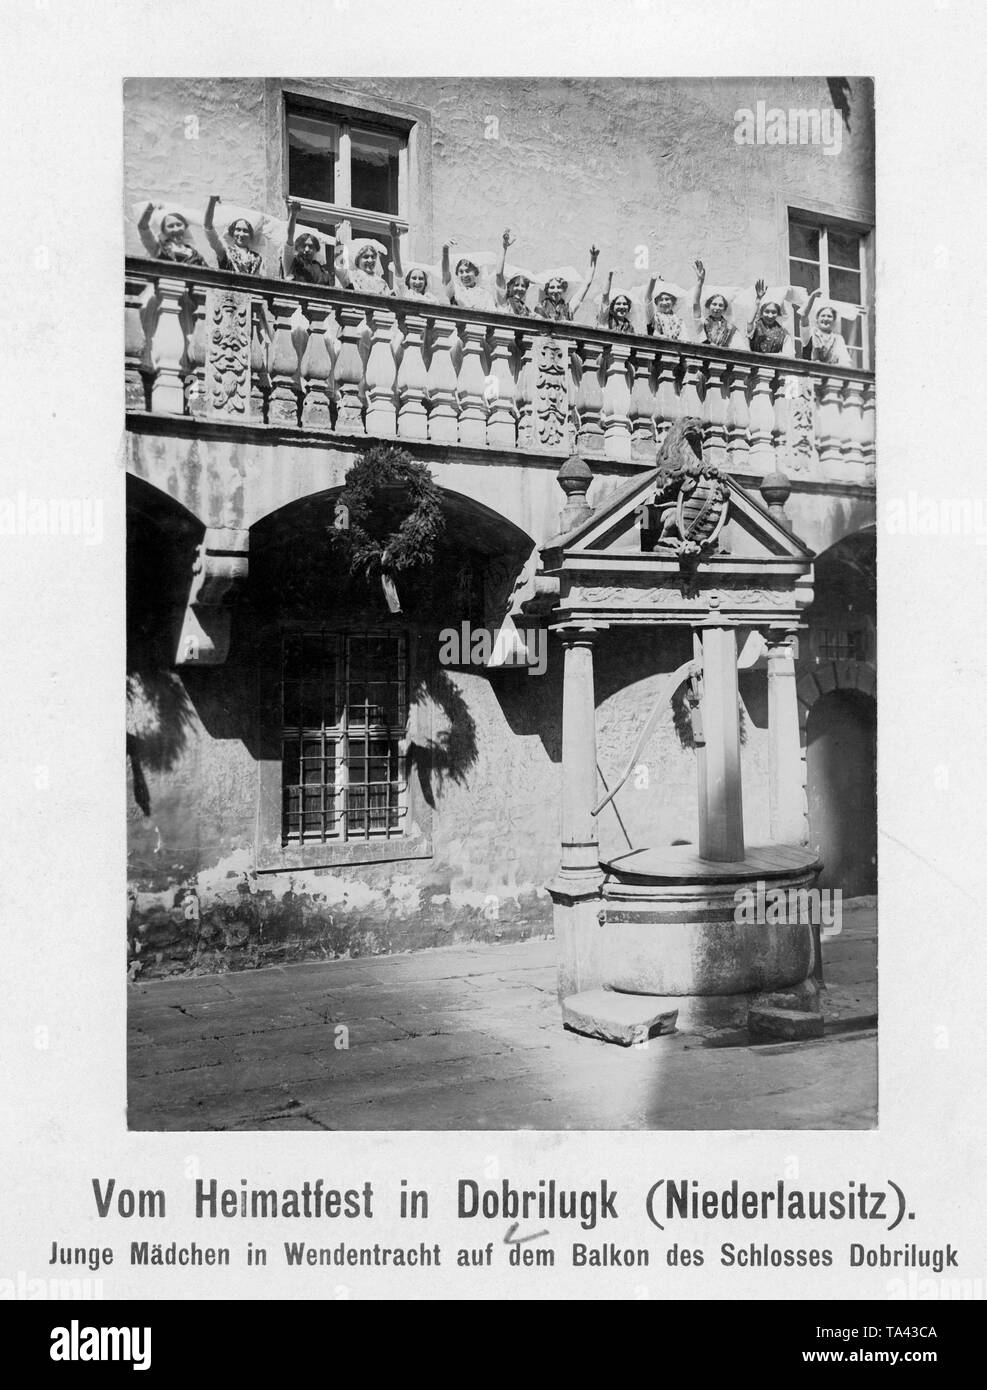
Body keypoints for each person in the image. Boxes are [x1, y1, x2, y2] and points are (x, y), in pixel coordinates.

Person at [535, 245, 599, 322]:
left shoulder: (569, 307)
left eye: (559, 287)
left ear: (563, 289)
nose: (555, 291)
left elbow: (586, 284)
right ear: (547, 290)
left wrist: (593, 258)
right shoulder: (541, 307)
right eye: (552, 287)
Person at [204, 196, 263, 276]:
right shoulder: (225, 251)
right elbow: (208, 228)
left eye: (245, 231)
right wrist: (212, 201)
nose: (241, 234)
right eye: (238, 230)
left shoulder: (257, 258)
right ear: (233, 233)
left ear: (250, 236)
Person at [137, 202, 207, 266]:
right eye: (170, 226)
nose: (176, 229)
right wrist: (151, 207)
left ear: (185, 227)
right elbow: (142, 227)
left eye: (179, 225)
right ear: (163, 231)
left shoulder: (191, 250)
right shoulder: (157, 248)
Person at [282, 200, 334, 285]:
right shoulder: (292, 262)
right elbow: (290, 236)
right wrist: (293, 214)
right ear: (297, 248)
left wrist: (341, 243)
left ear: (316, 250)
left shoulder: (323, 273)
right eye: (303, 246)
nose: (306, 249)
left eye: (311, 247)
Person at [692, 260, 740, 348]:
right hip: (703, 356)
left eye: (720, 305)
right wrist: (700, 282)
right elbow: (695, 304)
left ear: (724, 309)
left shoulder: (730, 327)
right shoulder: (702, 323)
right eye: (714, 304)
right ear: (708, 306)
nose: (717, 308)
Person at [800, 288, 852, 366]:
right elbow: (804, 316)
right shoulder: (810, 334)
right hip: (809, 375)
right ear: (817, 319)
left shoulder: (838, 339)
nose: (826, 319)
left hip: (830, 375)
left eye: (829, 316)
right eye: (823, 316)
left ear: (834, 321)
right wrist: (812, 297)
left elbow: (846, 362)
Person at [442, 240, 498, 311]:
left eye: (468, 271)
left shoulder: (485, 295)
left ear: (476, 272)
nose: (465, 275)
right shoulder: (455, 290)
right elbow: (445, 273)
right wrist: (445, 250)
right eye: (461, 272)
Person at [337, 230, 395, 296]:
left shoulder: (382, 282)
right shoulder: (352, 276)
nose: (370, 260)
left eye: (373, 257)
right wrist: (339, 244)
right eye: (366, 257)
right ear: (358, 260)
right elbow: (339, 269)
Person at [746, 279, 796, 356]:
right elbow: (749, 323)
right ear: (762, 312)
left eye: (773, 312)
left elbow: (789, 354)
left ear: (778, 313)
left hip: (773, 366)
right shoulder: (756, 326)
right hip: (754, 365)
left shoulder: (783, 333)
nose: (770, 316)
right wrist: (758, 301)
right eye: (767, 312)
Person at [495, 229, 534, 315]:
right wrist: (504, 248)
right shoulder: (504, 301)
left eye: (523, 286)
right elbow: (498, 274)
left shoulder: (526, 309)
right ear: (509, 287)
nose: (520, 288)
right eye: (516, 285)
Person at [644, 275, 687, 340]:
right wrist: (652, 280)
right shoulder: (653, 317)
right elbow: (648, 299)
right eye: (661, 300)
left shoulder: (680, 322)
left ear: (673, 302)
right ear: (656, 303)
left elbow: (685, 339)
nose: (664, 303)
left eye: (667, 299)